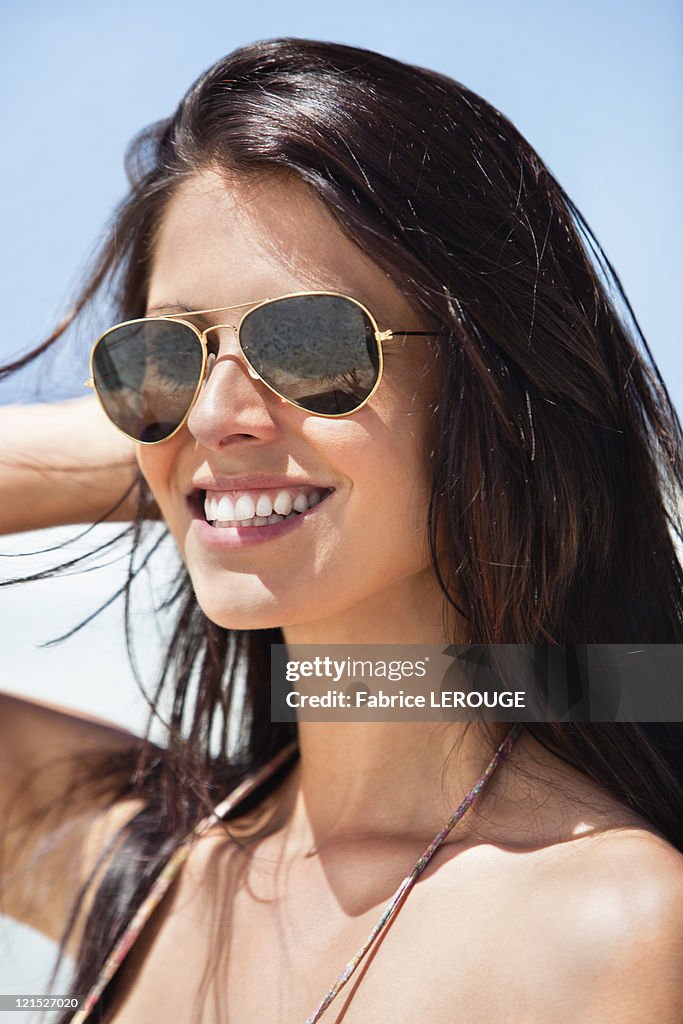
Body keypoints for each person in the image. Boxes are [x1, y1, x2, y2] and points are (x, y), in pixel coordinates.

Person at [1, 37, 683, 1024]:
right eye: (168, 352)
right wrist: (161, 442)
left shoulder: (610, 929)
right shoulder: (135, 862)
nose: (213, 407)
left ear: (485, 395)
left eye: (313, 343)